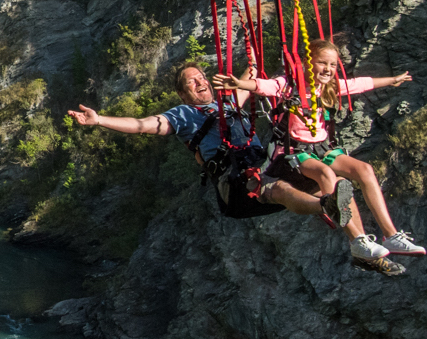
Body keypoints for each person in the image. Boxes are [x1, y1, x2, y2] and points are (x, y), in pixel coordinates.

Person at [67, 61, 406, 273]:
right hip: (236, 183)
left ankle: (361, 245)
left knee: (322, 174)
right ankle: (326, 207)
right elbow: (144, 125)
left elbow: (249, 80)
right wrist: (100, 122)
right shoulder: (182, 115)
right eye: (191, 82)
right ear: (183, 93)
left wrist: (250, 50)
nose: (199, 83)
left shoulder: (228, 102)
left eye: (201, 78)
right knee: (280, 189)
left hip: (264, 165)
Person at [216, 38, 425, 260]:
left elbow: (360, 83)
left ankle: (391, 235)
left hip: (322, 149)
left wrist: (392, 80)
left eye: (333, 65)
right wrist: (240, 85)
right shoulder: (289, 86)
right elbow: (264, 86)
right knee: (326, 174)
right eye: (322, 63)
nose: (328, 69)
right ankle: (357, 240)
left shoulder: (329, 88)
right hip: (294, 154)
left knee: (364, 169)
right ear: (308, 63)